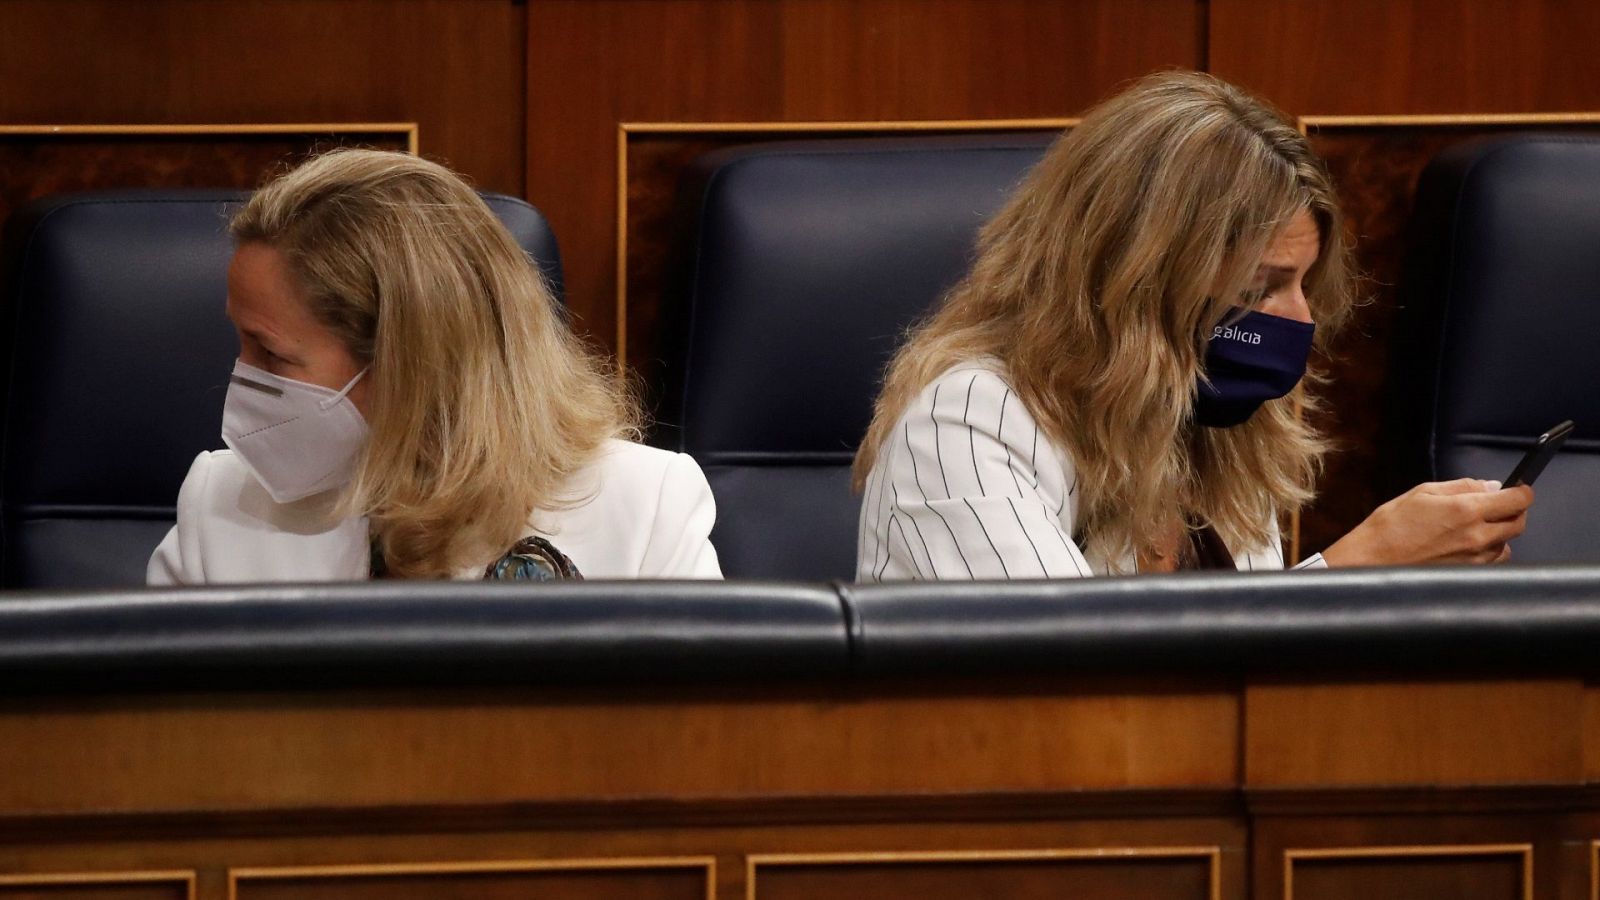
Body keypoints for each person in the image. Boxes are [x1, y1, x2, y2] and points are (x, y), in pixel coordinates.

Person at [853, 71, 1533, 581]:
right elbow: (1076, 698)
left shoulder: (1211, 433)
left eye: (1303, 284)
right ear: (1134, 277)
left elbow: (1243, 696)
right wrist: (1361, 567)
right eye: (1257, 287)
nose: (1300, 320)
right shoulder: (968, 423)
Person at [149, 149, 720, 583]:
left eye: (272, 353)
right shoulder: (219, 503)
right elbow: (153, 736)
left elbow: (700, 737)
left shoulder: (648, 507)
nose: (242, 376)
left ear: (411, 370)